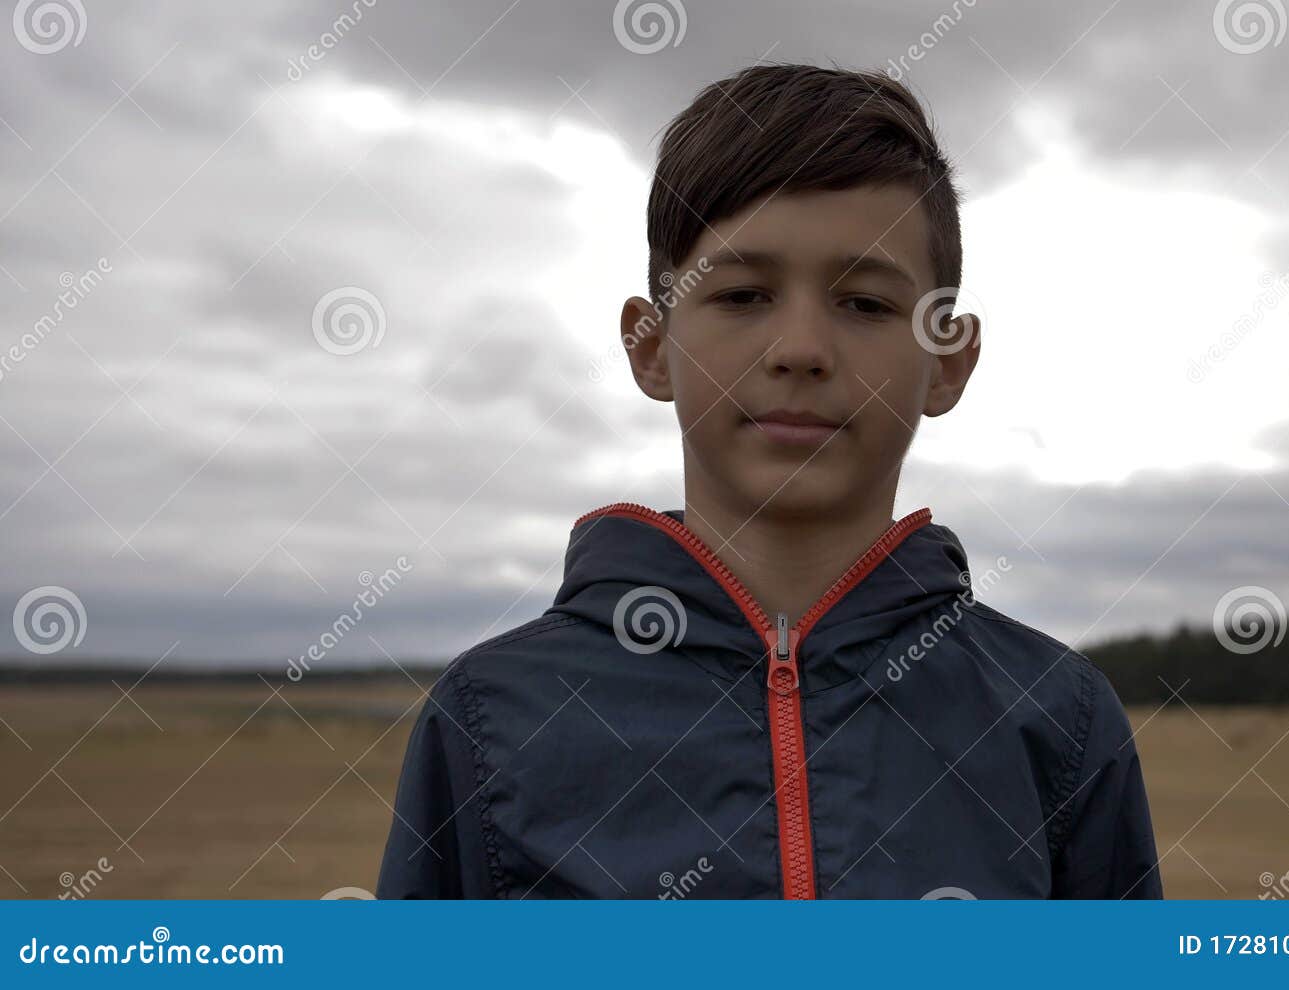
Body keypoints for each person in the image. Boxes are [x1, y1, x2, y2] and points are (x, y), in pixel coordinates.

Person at [377, 62, 1162, 900]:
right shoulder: (494, 718)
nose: (801, 348)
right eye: (745, 294)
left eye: (865, 304)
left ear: (947, 362)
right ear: (651, 345)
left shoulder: (1058, 721)